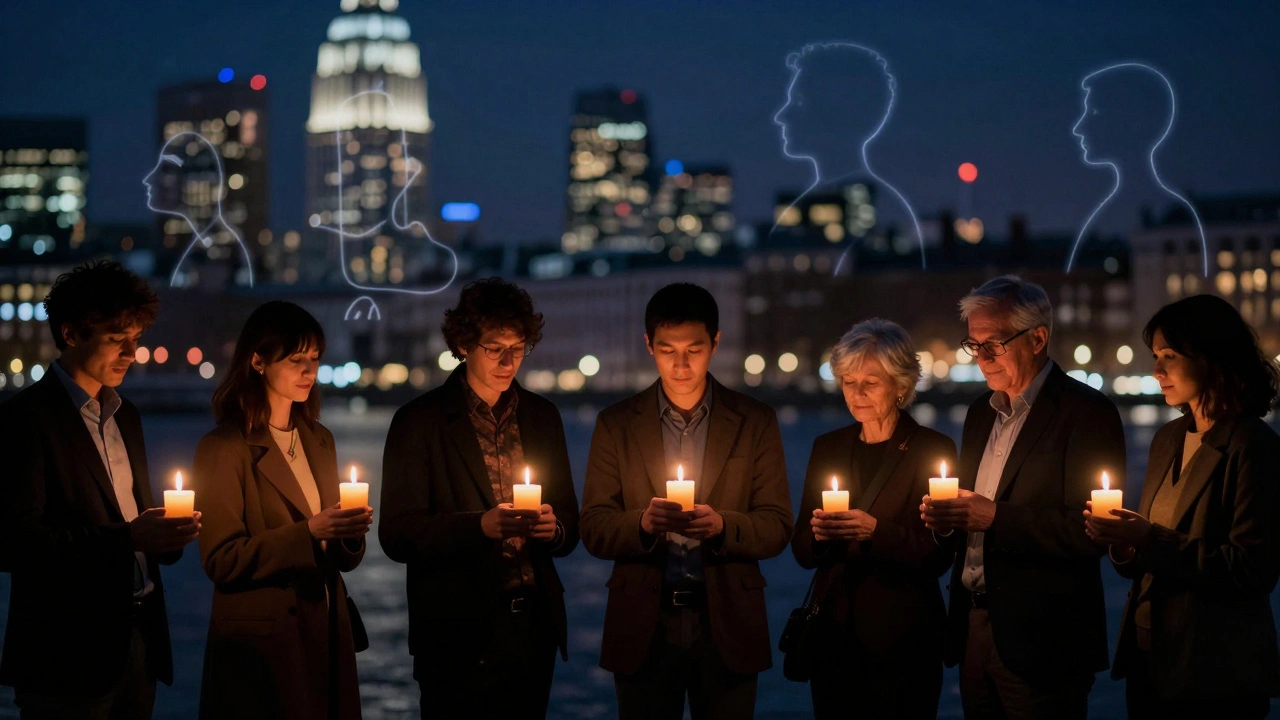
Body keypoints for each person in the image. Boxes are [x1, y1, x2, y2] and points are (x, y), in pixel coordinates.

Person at [580, 282, 793, 719]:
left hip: (728, 621)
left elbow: (777, 525)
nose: (680, 364)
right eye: (667, 349)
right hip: (643, 622)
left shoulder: (754, 421)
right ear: (648, 345)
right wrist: (641, 524)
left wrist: (722, 527)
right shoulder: (616, 424)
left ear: (716, 343)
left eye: (693, 349)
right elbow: (594, 527)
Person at [0, 260, 199, 719]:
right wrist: (130, 537)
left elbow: (138, 523)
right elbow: (13, 545)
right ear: (71, 335)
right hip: (65, 655)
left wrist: (168, 537)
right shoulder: (24, 422)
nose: (132, 352)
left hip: (139, 642)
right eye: (117, 339)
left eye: (136, 339)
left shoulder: (125, 415)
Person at [922, 275, 1126, 719]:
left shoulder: (1086, 413)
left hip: (1045, 642)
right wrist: (945, 525)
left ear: (1038, 338)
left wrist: (993, 517)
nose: (981, 358)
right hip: (974, 631)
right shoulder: (979, 413)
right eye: (973, 345)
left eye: (993, 344)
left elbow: (1089, 533)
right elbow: (969, 527)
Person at [379, 278, 579, 720]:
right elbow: (396, 534)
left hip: (532, 629)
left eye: (519, 347)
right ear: (464, 344)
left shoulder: (543, 417)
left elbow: (570, 519)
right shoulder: (420, 422)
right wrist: (478, 527)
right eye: (494, 348)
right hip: (456, 634)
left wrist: (555, 528)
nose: (509, 361)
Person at [1085, 294, 1280, 719]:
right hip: (1149, 661)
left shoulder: (1252, 447)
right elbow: (1148, 556)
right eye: (1155, 355)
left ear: (1211, 357)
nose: (1156, 370)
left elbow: (1252, 569)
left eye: (1169, 355)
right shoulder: (1167, 440)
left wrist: (1147, 538)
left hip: (1214, 673)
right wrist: (1122, 545)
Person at [193, 301, 371, 719]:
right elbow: (221, 559)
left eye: (314, 358)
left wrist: (349, 533)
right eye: (296, 360)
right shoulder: (225, 448)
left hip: (326, 629)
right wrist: (309, 532)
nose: (309, 371)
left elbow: (340, 555)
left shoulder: (319, 439)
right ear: (257, 360)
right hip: (267, 644)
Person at [792, 318, 956, 719]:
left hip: (906, 644)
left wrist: (874, 531)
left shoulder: (932, 450)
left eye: (871, 382)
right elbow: (801, 549)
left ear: (901, 385)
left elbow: (939, 556)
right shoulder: (827, 448)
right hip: (833, 642)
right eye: (849, 381)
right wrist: (819, 536)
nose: (857, 393)